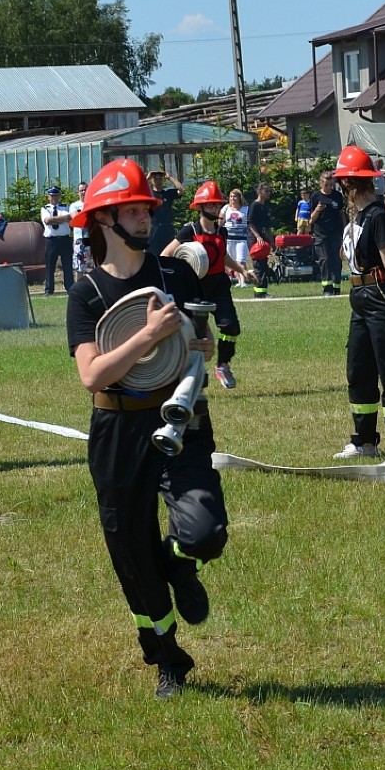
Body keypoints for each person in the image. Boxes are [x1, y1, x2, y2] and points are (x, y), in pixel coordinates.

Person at [66, 159, 228, 699]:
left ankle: (179, 567)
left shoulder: (174, 274)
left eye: (146, 208)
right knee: (131, 555)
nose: (144, 216)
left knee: (204, 531)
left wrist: (196, 346)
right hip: (117, 428)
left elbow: (197, 340)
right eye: (133, 209)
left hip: (177, 419)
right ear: (104, 219)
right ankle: (167, 659)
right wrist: (147, 337)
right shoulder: (86, 291)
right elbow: (91, 373)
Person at [330, 146, 385, 467]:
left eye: (344, 184)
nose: (342, 191)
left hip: (380, 299)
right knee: (359, 370)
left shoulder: (380, 216)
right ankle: (364, 441)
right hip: (359, 300)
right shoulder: (358, 218)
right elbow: (348, 258)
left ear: (352, 185)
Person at [163, 181, 256, 390]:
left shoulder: (221, 232)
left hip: (219, 286)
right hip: (195, 288)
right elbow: (166, 255)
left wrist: (242, 270)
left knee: (231, 327)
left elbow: (222, 256)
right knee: (194, 336)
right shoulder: (190, 230)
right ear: (200, 207)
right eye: (210, 205)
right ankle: (189, 374)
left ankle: (223, 365)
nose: (215, 208)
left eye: (217, 204)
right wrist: (178, 275)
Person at [309, 171, 346, 296]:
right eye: (326, 185)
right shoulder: (315, 197)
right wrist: (318, 210)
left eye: (331, 185)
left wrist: (345, 230)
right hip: (321, 234)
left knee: (336, 260)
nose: (329, 188)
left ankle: (336, 287)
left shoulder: (337, 196)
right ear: (321, 184)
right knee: (324, 259)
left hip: (335, 233)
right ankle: (327, 288)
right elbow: (311, 219)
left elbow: (341, 214)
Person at [41, 185, 73, 295]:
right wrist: (62, 219)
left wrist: (56, 219)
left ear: (59, 196)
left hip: (64, 239)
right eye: (52, 195)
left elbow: (69, 218)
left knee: (67, 265)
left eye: (56, 195)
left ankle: (70, 288)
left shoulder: (66, 207)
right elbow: (47, 221)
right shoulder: (45, 209)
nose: (54, 197)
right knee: (50, 266)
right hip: (51, 241)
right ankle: (49, 290)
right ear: (48, 197)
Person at [146, 170, 184, 255]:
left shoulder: (167, 194)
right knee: (152, 254)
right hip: (154, 229)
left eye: (160, 179)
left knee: (169, 253)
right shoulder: (149, 194)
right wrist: (147, 178)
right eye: (155, 179)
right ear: (152, 181)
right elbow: (137, 190)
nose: (158, 181)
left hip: (167, 228)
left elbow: (181, 190)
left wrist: (169, 177)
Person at [247, 182, 274, 299]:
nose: (268, 193)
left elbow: (267, 227)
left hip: (263, 239)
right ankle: (260, 292)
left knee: (263, 265)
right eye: (266, 191)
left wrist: (272, 242)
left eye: (269, 191)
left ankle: (262, 291)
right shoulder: (255, 206)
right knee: (259, 266)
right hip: (255, 239)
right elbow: (250, 223)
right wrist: (257, 237)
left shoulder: (264, 207)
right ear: (259, 192)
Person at [219, 189, 250, 287]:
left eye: (235, 196)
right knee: (230, 260)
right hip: (229, 238)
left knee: (240, 259)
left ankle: (243, 282)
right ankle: (235, 280)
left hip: (241, 238)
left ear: (239, 197)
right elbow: (220, 222)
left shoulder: (246, 209)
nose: (233, 199)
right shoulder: (226, 208)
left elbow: (250, 222)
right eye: (231, 196)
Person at [70, 181, 92, 283]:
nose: (83, 192)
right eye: (81, 190)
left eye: (85, 190)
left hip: (92, 238)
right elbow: (76, 219)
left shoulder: (92, 204)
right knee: (79, 266)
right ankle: (78, 288)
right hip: (79, 239)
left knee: (92, 265)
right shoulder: (74, 205)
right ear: (78, 192)